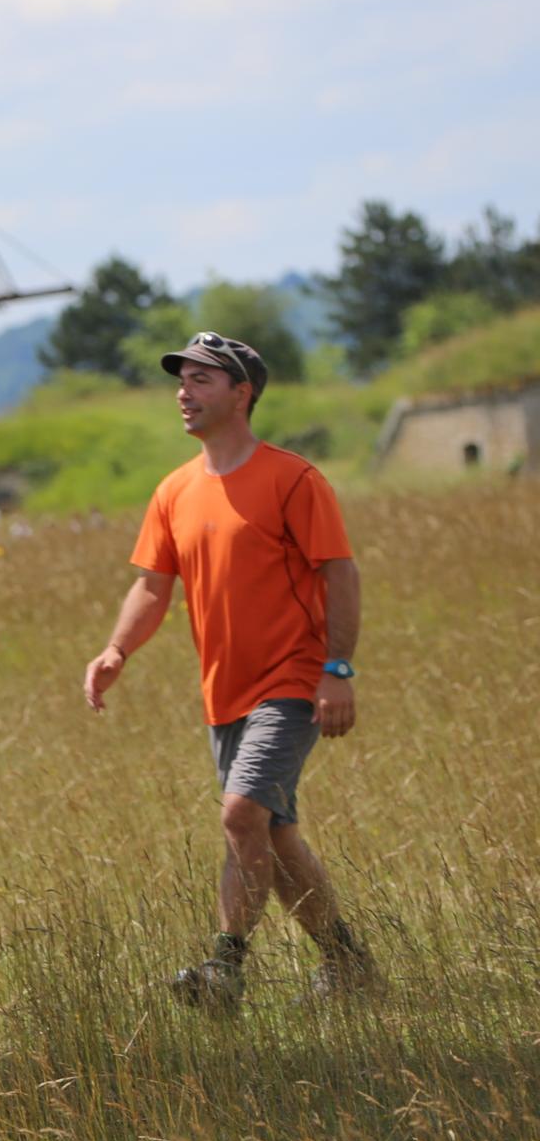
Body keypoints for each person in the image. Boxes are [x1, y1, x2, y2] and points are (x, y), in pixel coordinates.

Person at [82, 330, 379, 1011]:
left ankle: (224, 969)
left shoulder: (293, 478)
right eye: (181, 380)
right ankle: (348, 966)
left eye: (202, 380)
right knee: (272, 834)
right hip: (224, 693)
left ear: (242, 393)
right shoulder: (174, 490)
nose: (184, 393)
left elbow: (339, 572)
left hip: (293, 681)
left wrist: (336, 669)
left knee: (241, 813)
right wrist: (116, 650)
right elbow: (152, 586)